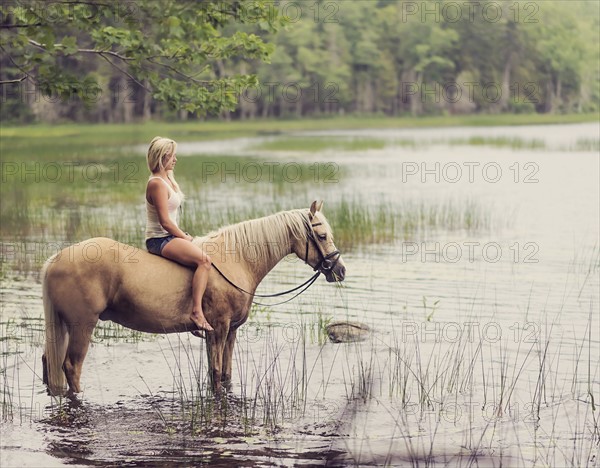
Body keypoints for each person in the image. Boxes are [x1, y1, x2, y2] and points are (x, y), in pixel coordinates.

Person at [144, 136, 213, 335]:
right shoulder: (156, 183)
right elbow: (165, 222)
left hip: (170, 236)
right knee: (204, 261)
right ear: (161, 157)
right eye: (172, 155)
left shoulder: (168, 178)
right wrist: (185, 237)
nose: (176, 159)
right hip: (160, 239)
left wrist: (183, 236)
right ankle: (196, 312)